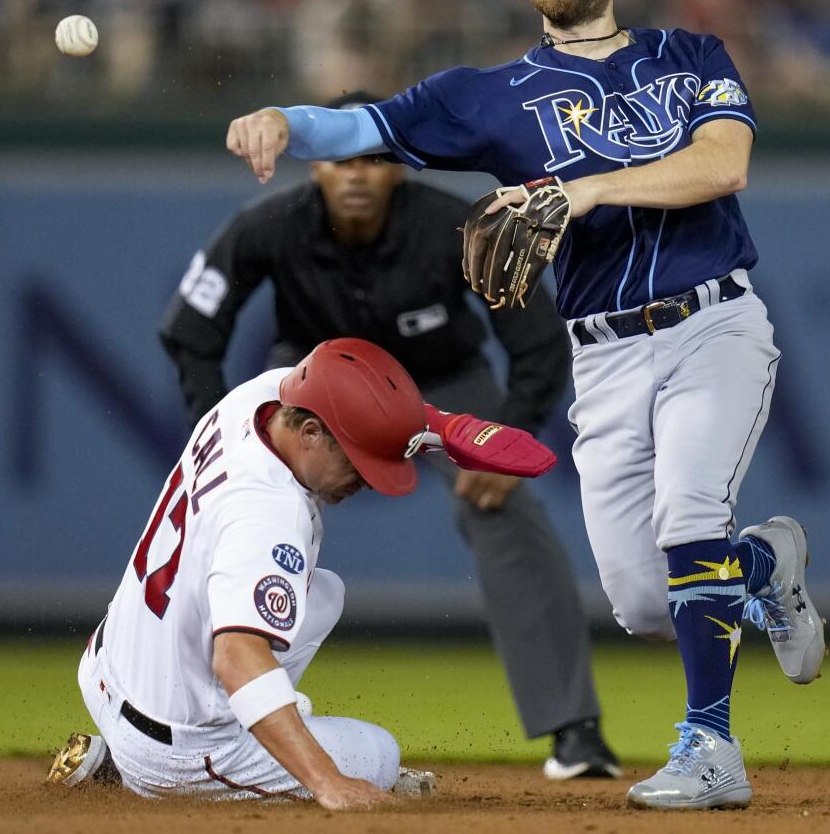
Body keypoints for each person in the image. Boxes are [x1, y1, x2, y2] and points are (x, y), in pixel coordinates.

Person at [223, 0, 827, 811]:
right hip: (607, 354)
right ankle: (761, 567)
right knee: (638, 599)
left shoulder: (687, 54)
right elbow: (364, 126)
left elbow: (723, 162)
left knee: (688, 512)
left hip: (712, 322)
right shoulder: (488, 97)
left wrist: (582, 191)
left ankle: (711, 746)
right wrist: (285, 120)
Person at [158, 91, 619, 779]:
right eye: (339, 161)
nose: (355, 174)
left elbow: (537, 340)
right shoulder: (270, 226)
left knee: (509, 513)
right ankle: (172, 714)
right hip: (310, 384)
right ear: (314, 169)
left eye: (373, 162)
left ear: (398, 170)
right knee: (226, 512)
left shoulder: (451, 225)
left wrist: (512, 429)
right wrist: (219, 424)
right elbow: (190, 332)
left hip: (440, 382)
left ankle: (574, 731)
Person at [47, 338, 557, 808]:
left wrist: (446, 428)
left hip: (109, 668)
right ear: (310, 432)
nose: (368, 480)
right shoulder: (269, 513)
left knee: (323, 595)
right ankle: (131, 768)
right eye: (359, 462)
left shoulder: (260, 397)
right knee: (378, 756)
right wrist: (326, 781)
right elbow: (236, 657)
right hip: (178, 748)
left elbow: (355, 402)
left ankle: (140, 746)